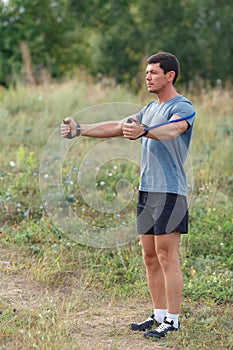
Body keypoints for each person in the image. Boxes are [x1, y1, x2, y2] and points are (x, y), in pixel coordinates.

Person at [61, 52, 195, 340]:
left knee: (166, 256)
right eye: (146, 72)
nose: (147, 76)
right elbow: (117, 126)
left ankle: (172, 320)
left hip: (170, 191)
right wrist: (79, 130)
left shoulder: (181, 106)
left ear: (169, 75)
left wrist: (145, 131)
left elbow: (174, 130)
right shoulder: (149, 108)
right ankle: (158, 315)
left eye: (153, 72)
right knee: (149, 256)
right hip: (147, 190)